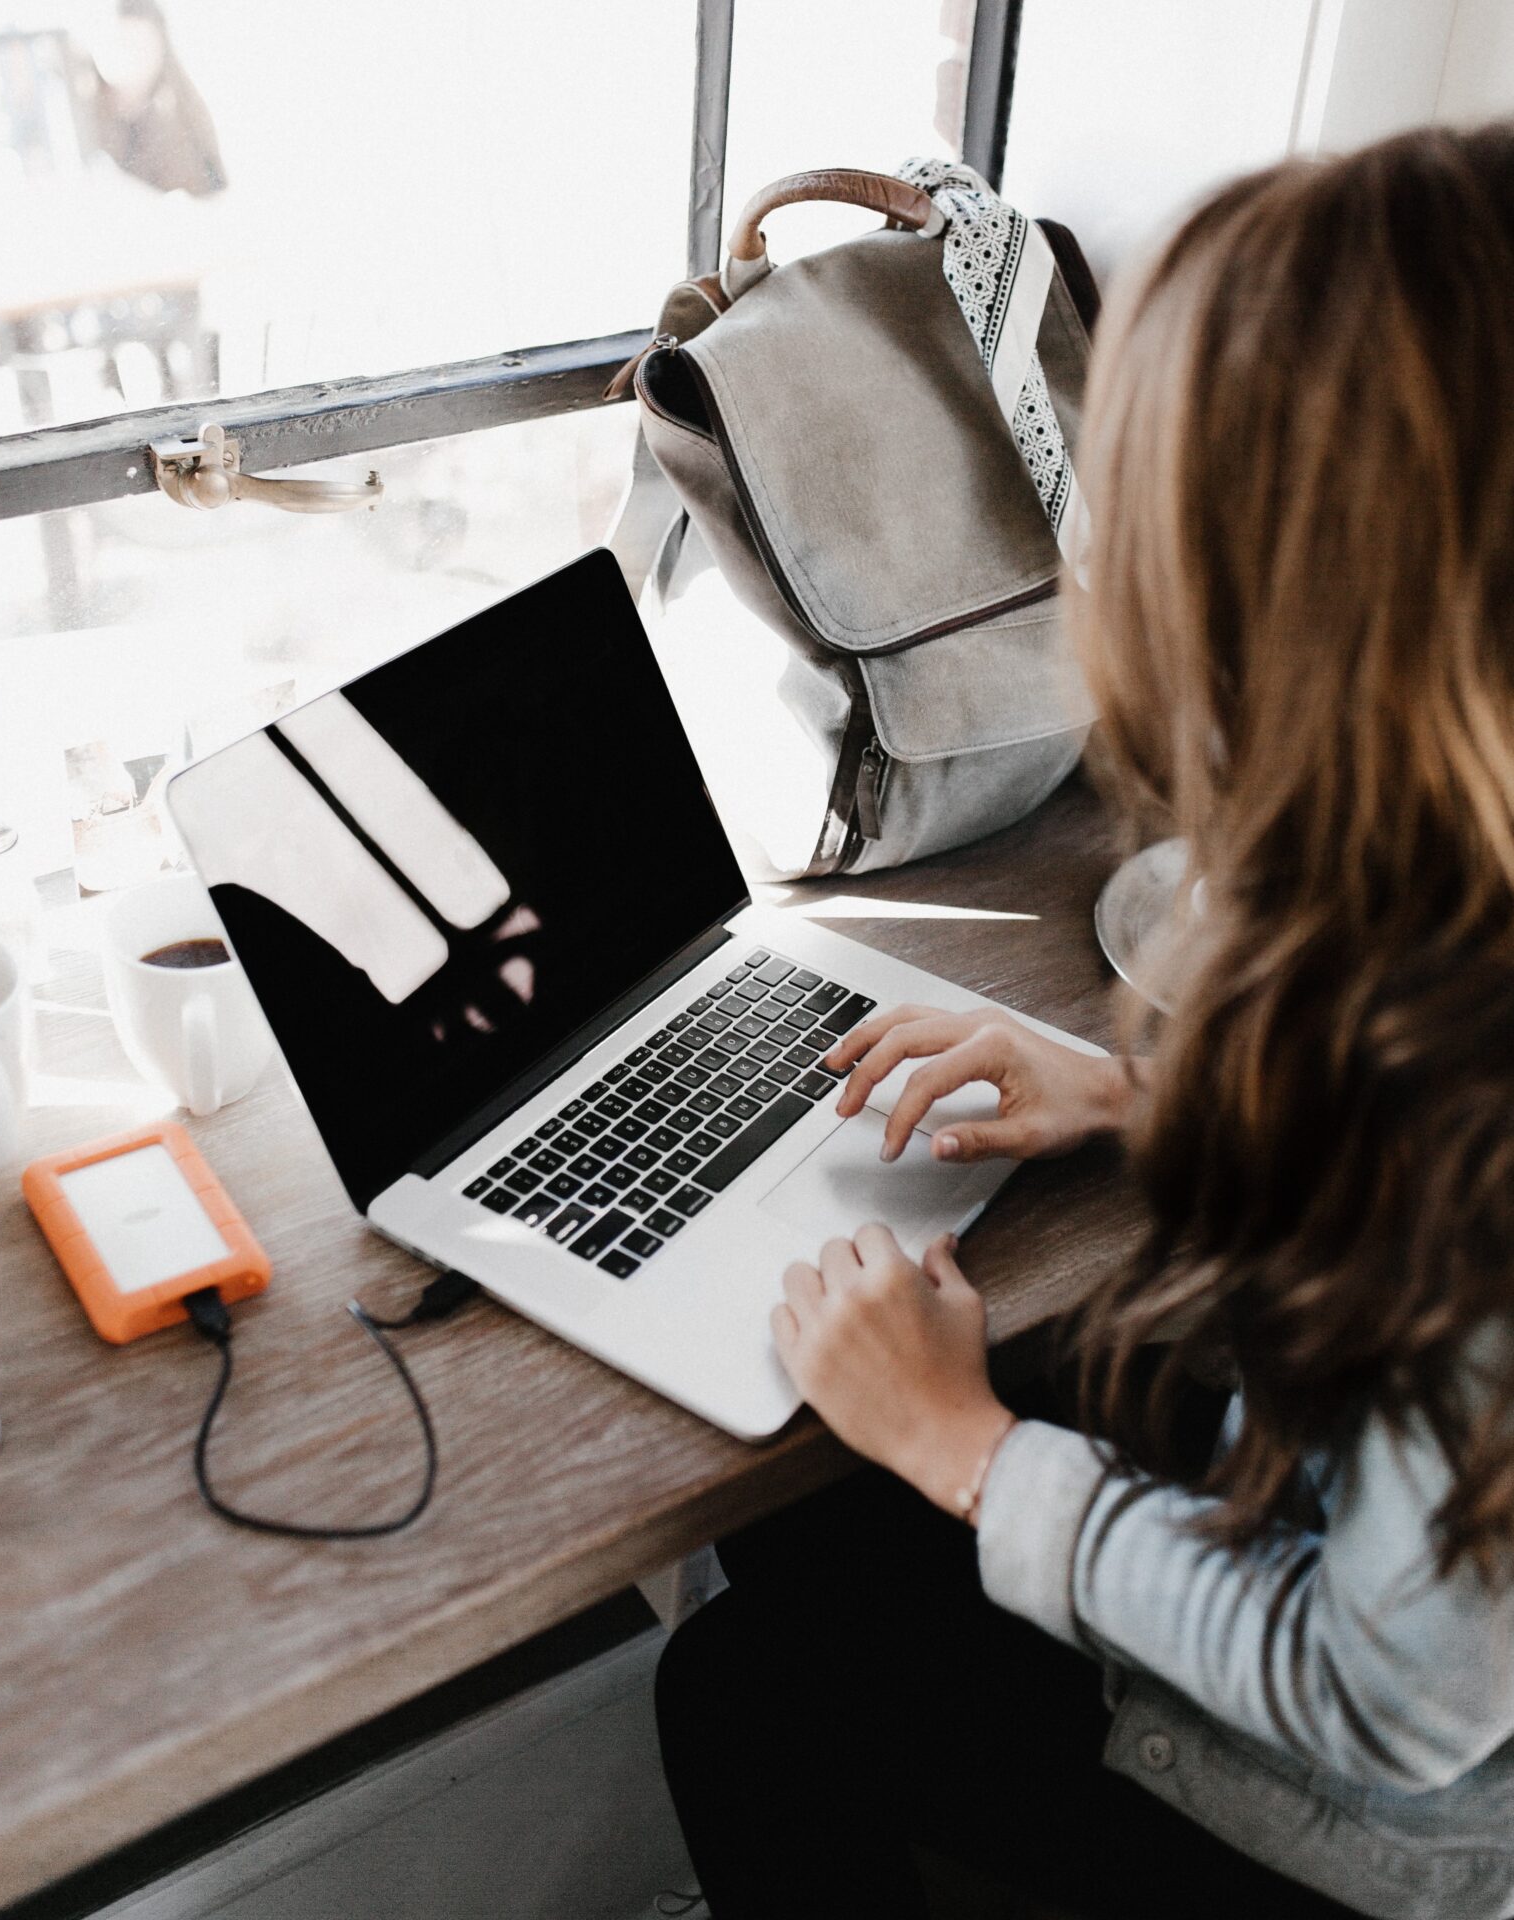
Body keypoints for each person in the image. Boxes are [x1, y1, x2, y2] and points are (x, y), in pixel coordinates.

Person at [655, 122, 1514, 1920]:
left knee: (746, 1686)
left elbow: (1387, 1702)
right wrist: (1142, 1102)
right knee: (831, 1534)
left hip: (1385, 1846)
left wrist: (966, 1448)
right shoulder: (1446, 950)